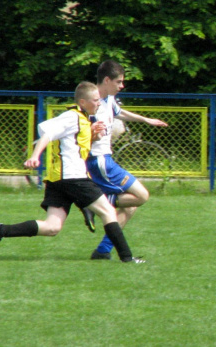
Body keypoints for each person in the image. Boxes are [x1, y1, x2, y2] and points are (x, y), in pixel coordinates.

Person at [0, 81, 144, 263]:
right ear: (83, 102)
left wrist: (92, 134)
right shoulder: (73, 116)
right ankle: (127, 258)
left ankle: (0, 230)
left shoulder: (83, 119)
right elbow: (47, 134)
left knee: (52, 227)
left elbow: (75, 145)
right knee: (108, 212)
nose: (99, 103)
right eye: (95, 100)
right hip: (73, 177)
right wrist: (35, 156)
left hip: (59, 180)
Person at [86, 60, 168, 260]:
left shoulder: (109, 99)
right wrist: (91, 135)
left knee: (130, 206)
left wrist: (145, 120)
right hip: (99, 161)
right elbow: (78, 132)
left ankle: (103, 251)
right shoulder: (91, 102)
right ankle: (93, 203)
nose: (122, 85)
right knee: (141, 196)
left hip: (106, 159)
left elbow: (119, 112)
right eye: (119, 81)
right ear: (107, 80)